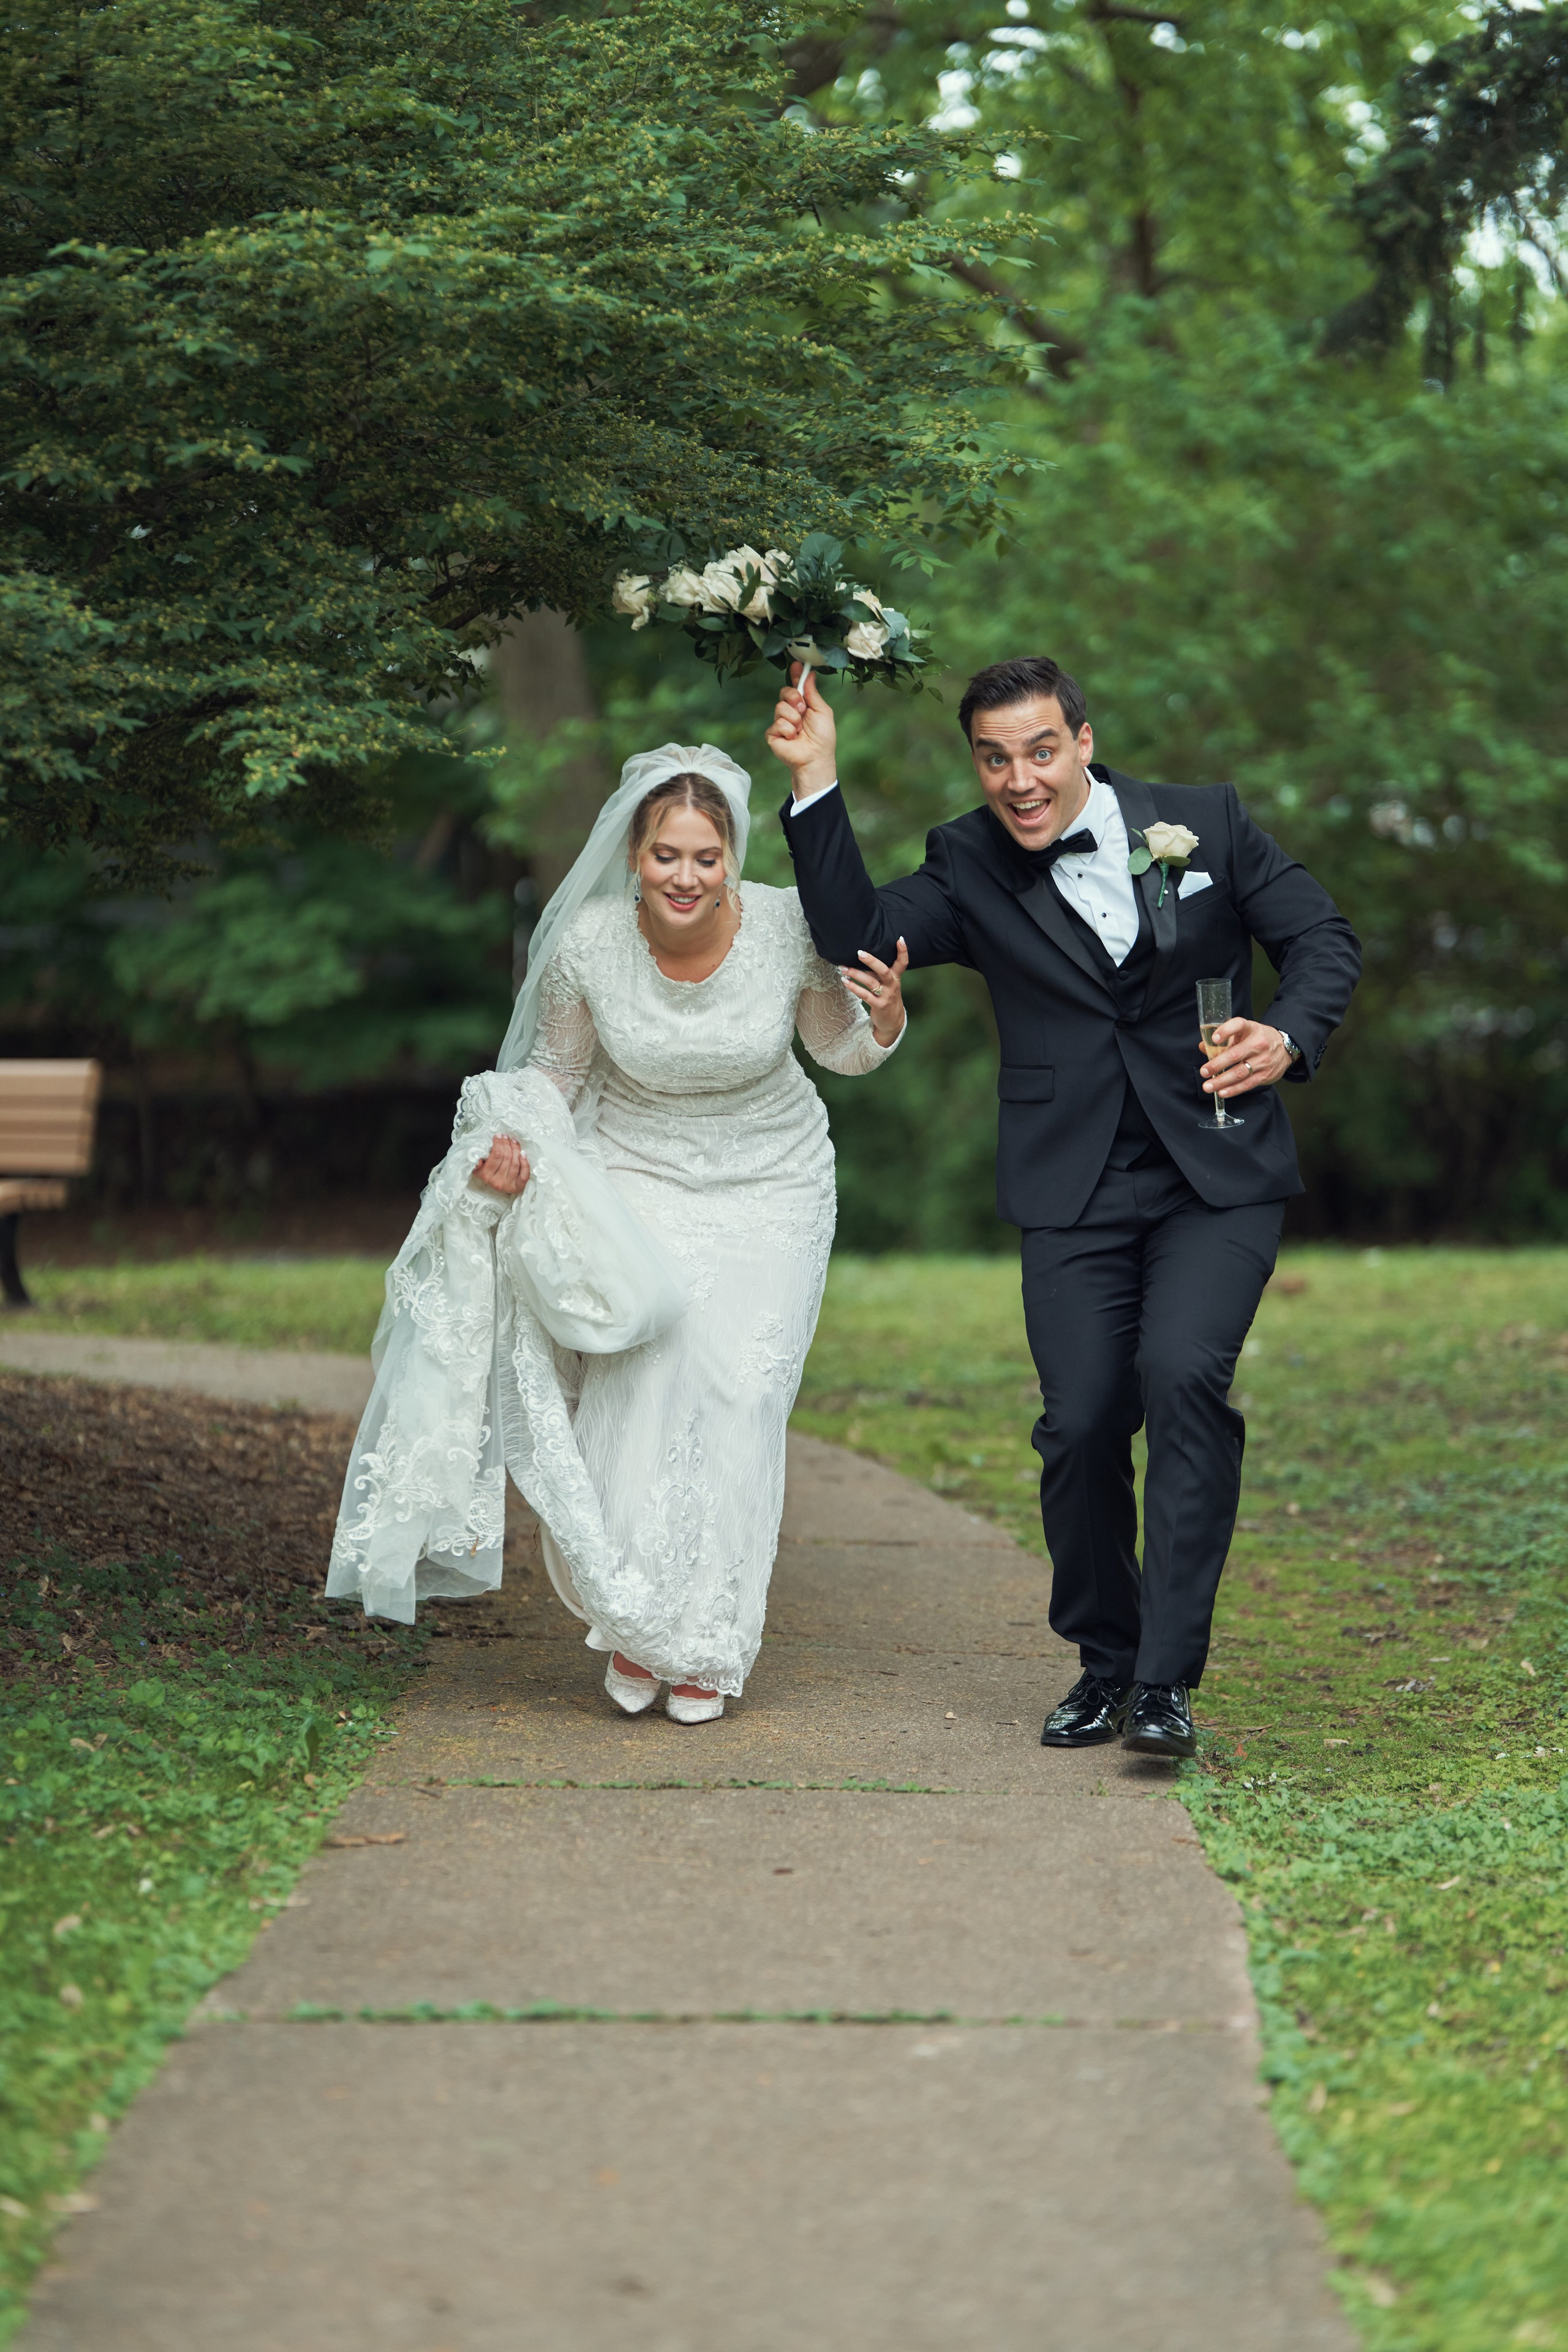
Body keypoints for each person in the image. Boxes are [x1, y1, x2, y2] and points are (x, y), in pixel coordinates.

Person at [767, 657, 1359, 1758]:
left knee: (1183, 1378)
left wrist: (1289, 1034)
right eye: (995, 758)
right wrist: (816, 777)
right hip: (1073, 1183)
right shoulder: (967, 861)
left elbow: (1323, 939)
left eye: (1041, 751)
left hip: (1215, 1173)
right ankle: (1107, 1663)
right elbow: (856, 929)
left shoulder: (1206, 825)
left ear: (1083, 741)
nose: (1020, 780)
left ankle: (1167, 1686)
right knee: (1082, 1420)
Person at [327, 744, 907, 1723]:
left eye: (706, 858)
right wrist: (511, 1149)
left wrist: (884, 1018)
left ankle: (709, 1647)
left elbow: (837, 1049)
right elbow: (558, 1074)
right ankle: (641, 1626)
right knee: (640, 1392)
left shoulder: (781, 924)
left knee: (741, 1395)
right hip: (638, 1172)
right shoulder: (590, 945)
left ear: (733, 857)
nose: (686, 877)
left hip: (775, 1178)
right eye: (666, 856)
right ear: (635, 854)